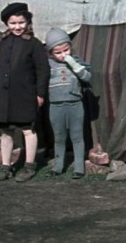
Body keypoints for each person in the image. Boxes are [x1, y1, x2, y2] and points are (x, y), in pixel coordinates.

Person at [0, 2, 50, 182]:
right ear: (7, 24)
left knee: (27, 130)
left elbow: (43, 70)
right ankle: (6, 167)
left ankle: (29, 167)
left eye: (21, 23)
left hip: (25, 94)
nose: (17, 27)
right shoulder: (4, 42)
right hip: (3, 95)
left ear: (28, 22)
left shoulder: (34, 44)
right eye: (13, 23)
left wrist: (39, 94)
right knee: (6, 132)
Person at [45, 27, 91, 179]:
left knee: (77, 136)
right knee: (59, 136)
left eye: (66, 50)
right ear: (51, 53)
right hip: (56, 106)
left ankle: (79, 167)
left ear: (70, 47)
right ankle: (58, 167)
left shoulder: (76, 61)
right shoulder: (48, 65)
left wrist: (77, 67)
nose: (63, 55)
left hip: (75, 104)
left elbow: (87, 78)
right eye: (58, 52)